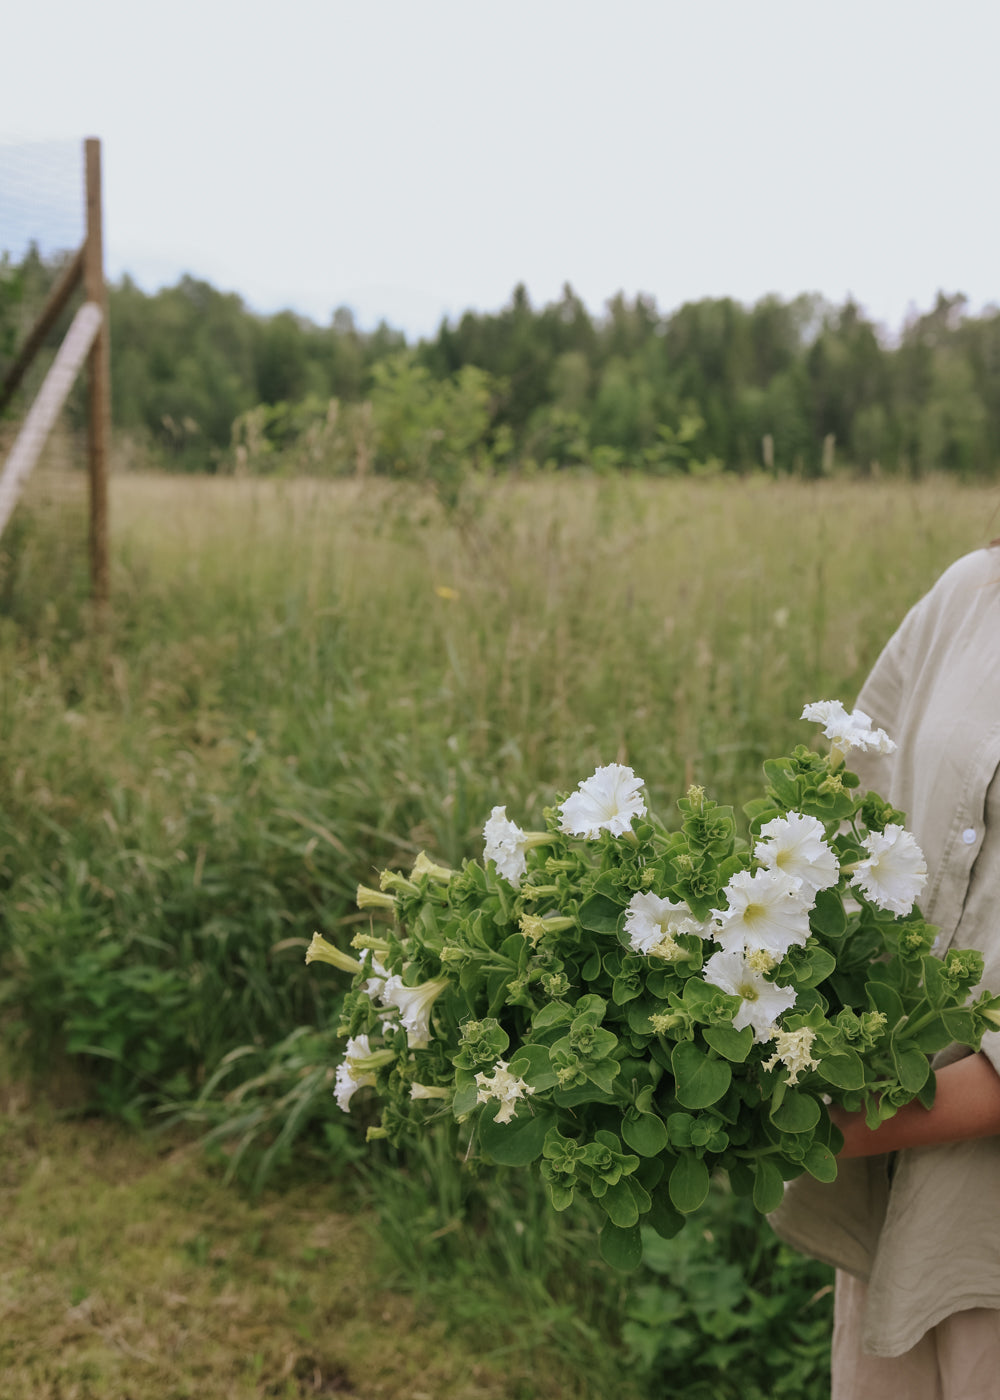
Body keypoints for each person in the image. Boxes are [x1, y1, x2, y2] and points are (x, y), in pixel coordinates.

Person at [769, 542, 1000, 1400]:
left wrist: (837, 1123)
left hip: (973, 1213)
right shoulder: (972, 593)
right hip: (888, 1190)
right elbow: (844, 821)